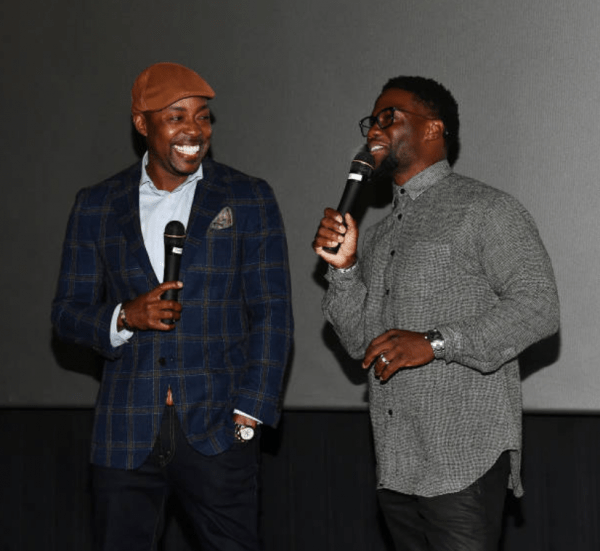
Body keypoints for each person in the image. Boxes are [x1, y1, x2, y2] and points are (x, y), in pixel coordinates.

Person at [51, 62, 293, 551]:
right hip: (125, 432)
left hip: (219, 431)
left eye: (202, 117)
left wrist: (249, 417)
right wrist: (125, 316)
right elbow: (67, 313)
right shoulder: (97, 205)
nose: (193, 131)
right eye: (176, 117)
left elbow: (272, 313)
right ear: (142, 123)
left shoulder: (248, 197)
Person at [312, 76, 559, 551]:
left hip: (462, 461)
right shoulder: (379, 236)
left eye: (389, 117)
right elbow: (361, 343)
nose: (374, 130)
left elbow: (538, 306)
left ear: (433, 129)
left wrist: (436, 342)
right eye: (371, 121)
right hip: (397, 463)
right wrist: (343, 270)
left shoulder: (486, 209)